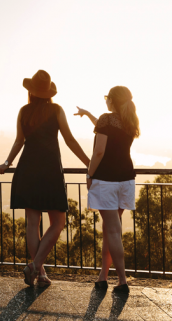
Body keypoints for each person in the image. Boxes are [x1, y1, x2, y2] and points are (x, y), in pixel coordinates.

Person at [0, 70, 90, 288]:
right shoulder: (56, 110)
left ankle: (39, 273)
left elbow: (19, 141)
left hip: (27, 169)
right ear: (48, 92)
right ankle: (36, 267)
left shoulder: (23, 111)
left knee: (32, 223)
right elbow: (69, 140)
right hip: (49, 172)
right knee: (58, 222)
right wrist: (89, 163)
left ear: (31, 91)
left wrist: (7, 163)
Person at [75, 86, 139, 294]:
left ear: (111, 100)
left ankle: (122, 281)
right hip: (126, 181)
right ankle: (103, 276)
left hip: (106, 181)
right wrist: (88, 115)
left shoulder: (107, 119)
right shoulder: (129, 120)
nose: (105, 101)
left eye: (106, 98)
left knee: (112, 231)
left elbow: (99, 150)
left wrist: (89, 174)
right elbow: (105, 127)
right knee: (111, 231)